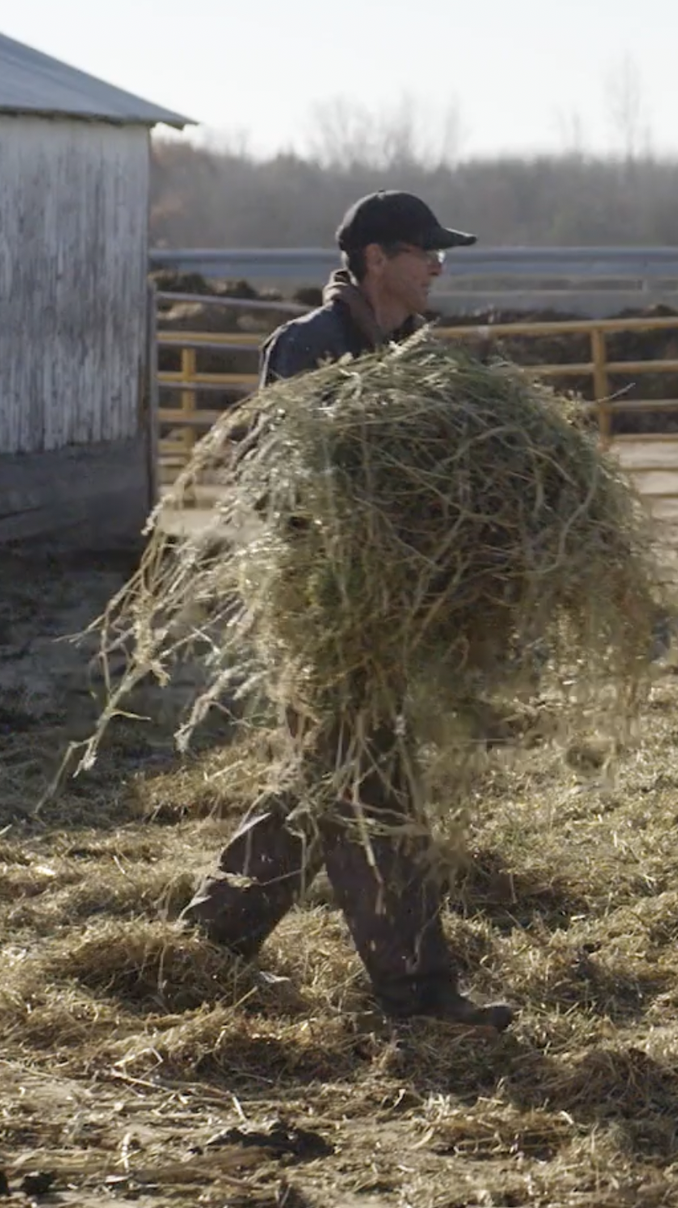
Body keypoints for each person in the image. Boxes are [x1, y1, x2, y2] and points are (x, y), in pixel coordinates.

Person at [177, 190, 512, 1030]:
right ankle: (419, 994)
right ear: (375, 259)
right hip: (324, 612)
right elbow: (276, 480)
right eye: (423, 251)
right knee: (372, 793)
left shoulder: (417, 354)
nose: (439, 265)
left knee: (316, 789)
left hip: (390, 615)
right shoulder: (310, 348)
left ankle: (204, 943)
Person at [259, 189, 477, 386]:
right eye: (427, 255)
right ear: (377, 259)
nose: (437, 270)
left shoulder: (426, 354)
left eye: (439, 256)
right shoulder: (306, 343)